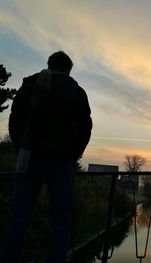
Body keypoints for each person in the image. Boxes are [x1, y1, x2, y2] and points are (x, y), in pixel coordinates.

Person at [1, 51, 92, 263]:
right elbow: (85, 129)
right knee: (60, 223)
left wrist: (22, 149)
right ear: (68, 69)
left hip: (29, 161)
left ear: (49, 64)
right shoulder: (76, 92)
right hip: (61, 165)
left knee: (18, 220)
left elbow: (15, 122)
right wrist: (73, 155)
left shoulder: (30, 86)